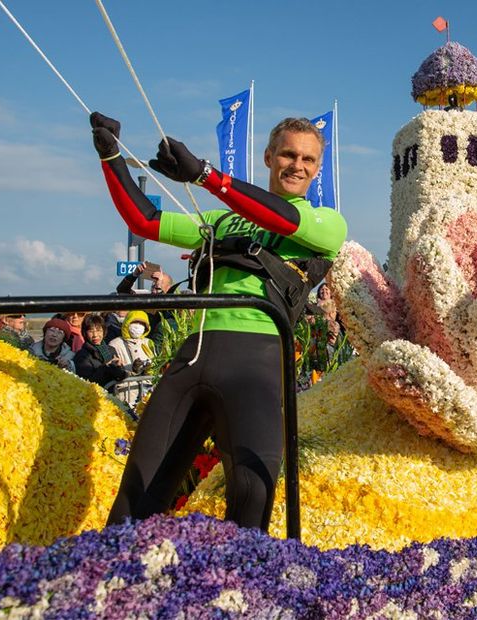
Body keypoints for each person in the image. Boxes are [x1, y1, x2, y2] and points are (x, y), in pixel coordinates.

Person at [90, 111, 347, 530]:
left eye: (308, 159)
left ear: (318, 169)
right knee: (135, 498)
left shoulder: (327, 223)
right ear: (268, 157)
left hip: (257, 363)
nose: (297, 165)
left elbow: (283, 219)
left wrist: (207, 175)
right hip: (193, 358)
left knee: (251, 499)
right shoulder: (222, 220)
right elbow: (144, 221)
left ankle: (240, 591)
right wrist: (110, 155)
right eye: (287, 154)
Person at [74, 313, 128, 389]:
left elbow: (121, 376)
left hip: (114, 395)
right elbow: (87, 382)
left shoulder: (111, 349)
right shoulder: (82, 355)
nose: (95, 335)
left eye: (98, 330)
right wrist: (106, 367)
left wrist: (118, 368)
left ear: (104, 331)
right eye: (91, 331)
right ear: (85, 333)